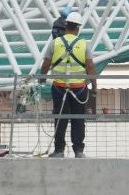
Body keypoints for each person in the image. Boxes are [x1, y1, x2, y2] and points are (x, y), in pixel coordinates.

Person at [40, 10, 97, 158]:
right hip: (79, 89)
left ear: (66, 25)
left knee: (60, 118)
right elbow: (90, 67)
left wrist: (42, 79)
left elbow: (46, 64)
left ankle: (59, 150)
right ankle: (78, 150)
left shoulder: (55, 43)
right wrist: (94, 87)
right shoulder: (84, 44)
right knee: (78, 119)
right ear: (78, 27)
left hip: (59, 88)